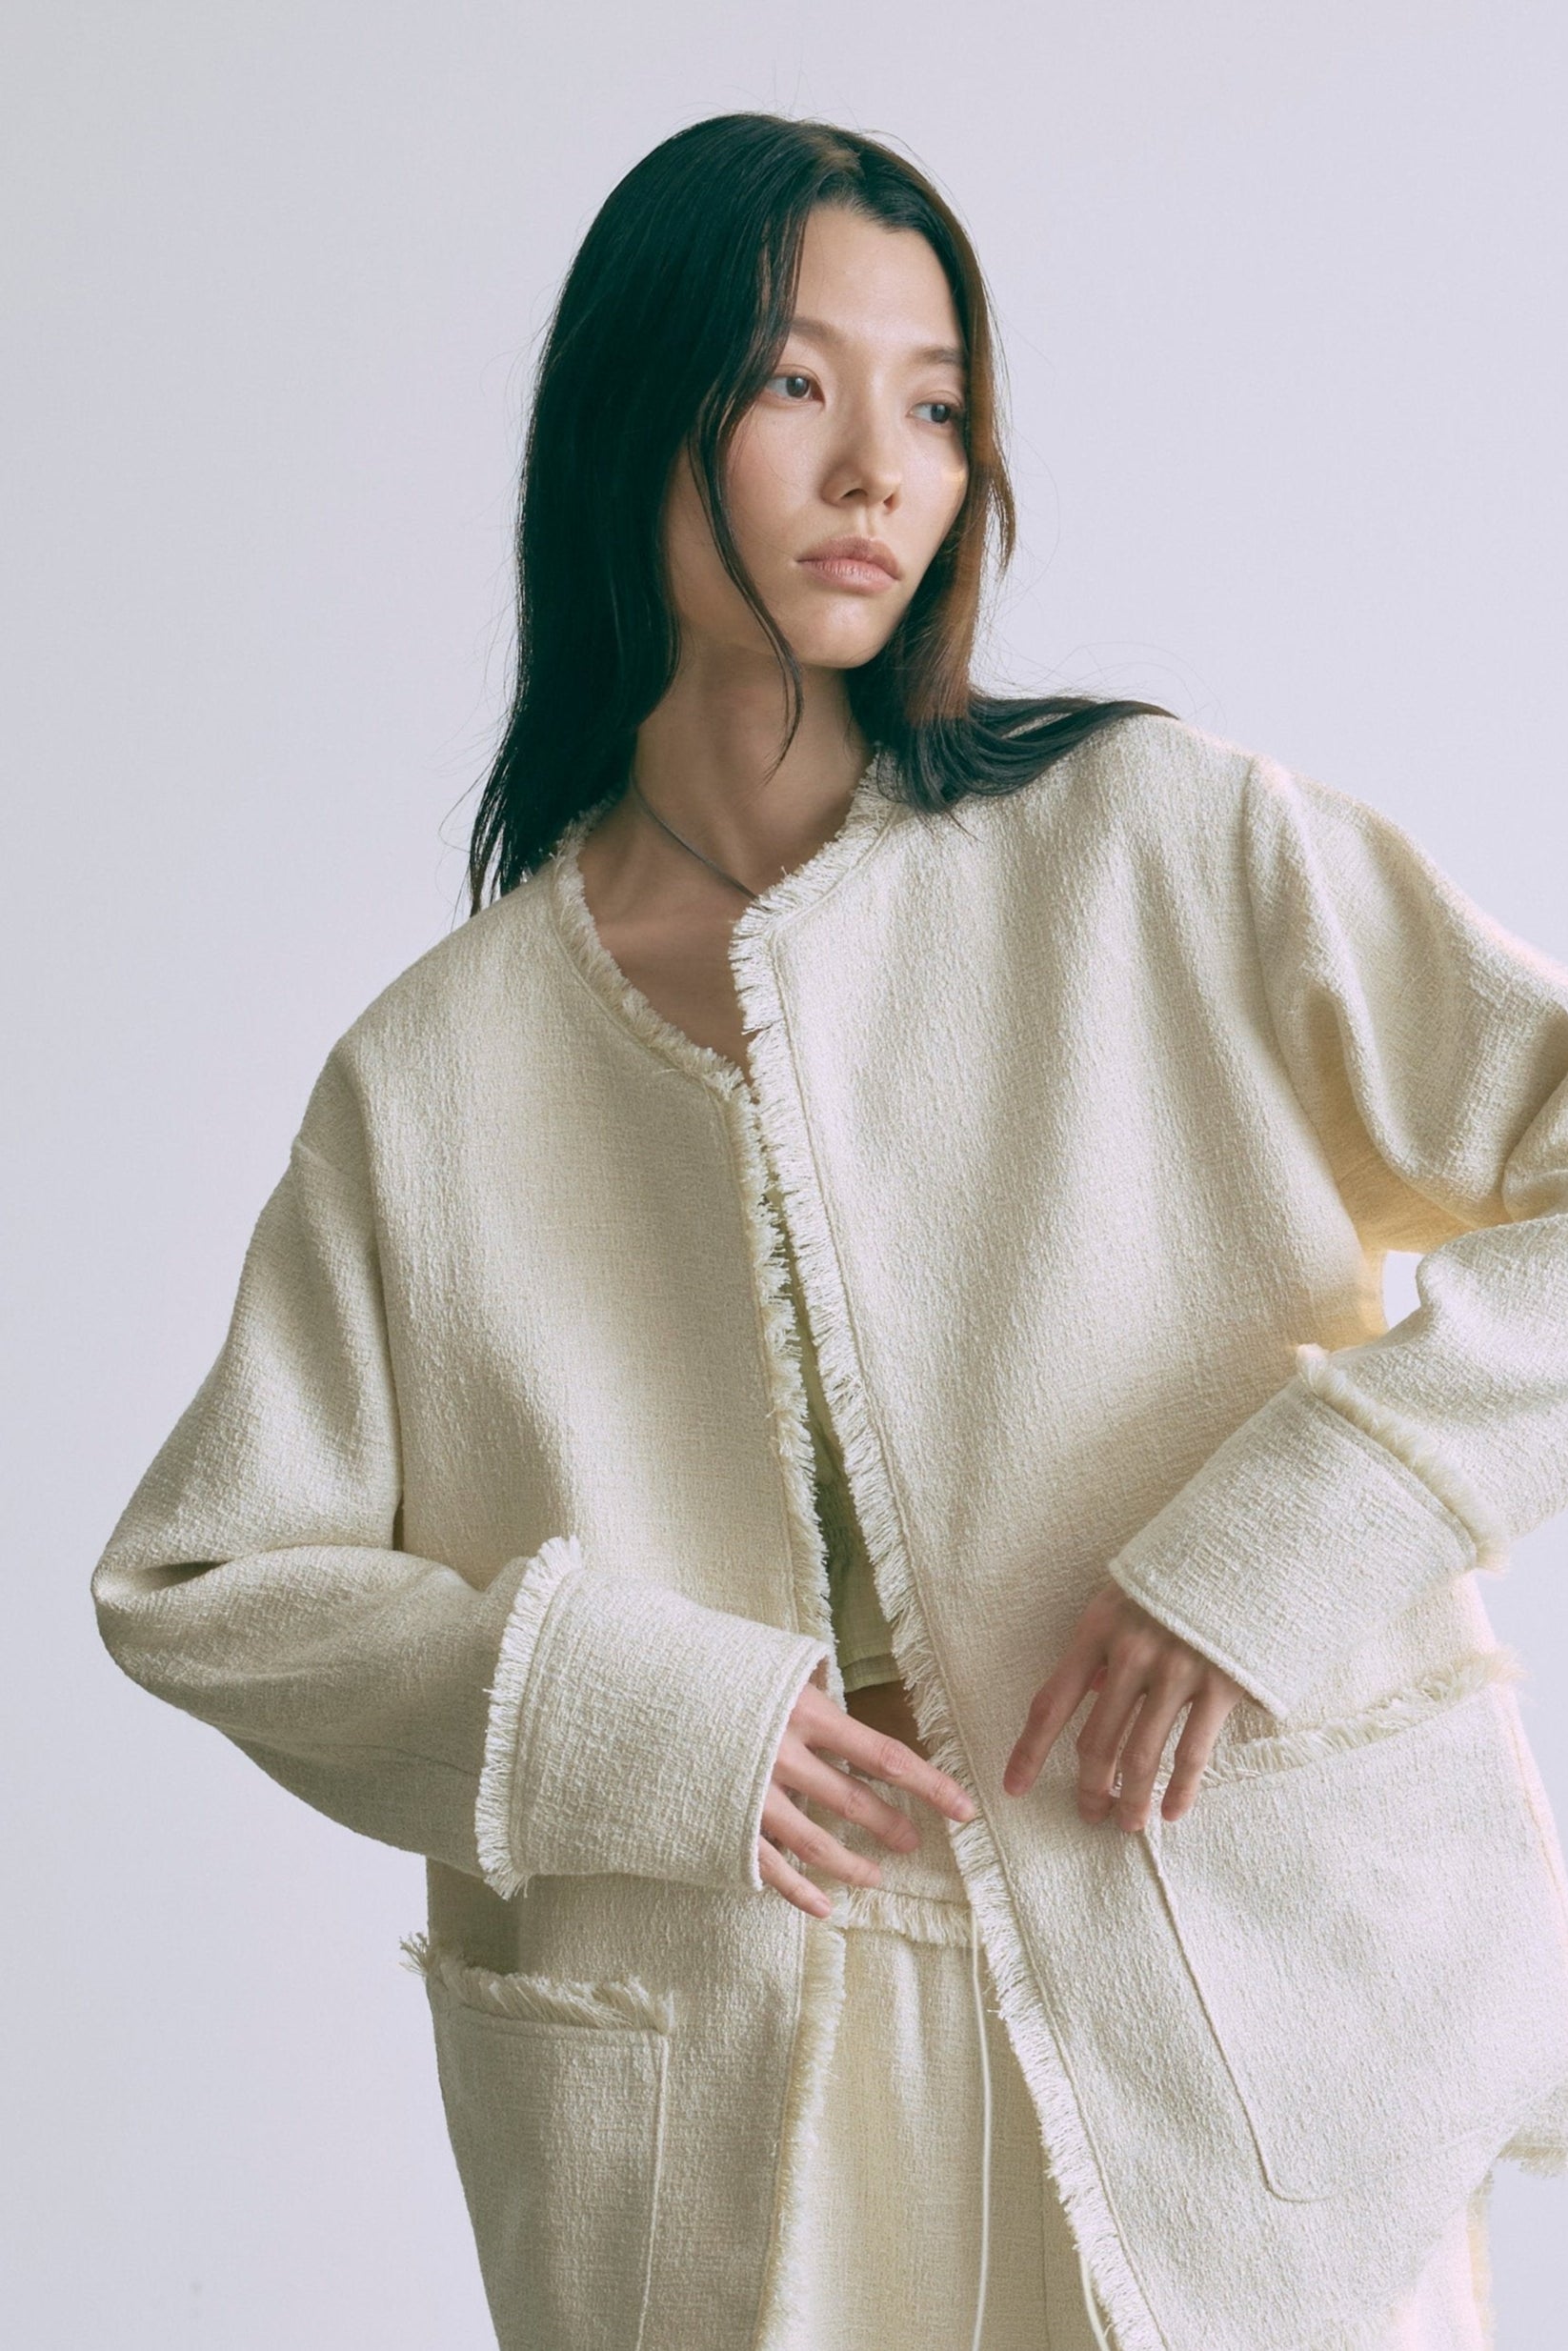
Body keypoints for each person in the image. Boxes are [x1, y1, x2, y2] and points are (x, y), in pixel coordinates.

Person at [91, 111, 1568, 2351]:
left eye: (939, 405)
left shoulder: (1153, 848)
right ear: (636, 410)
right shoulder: (441, 1070)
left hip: (1212, 1988)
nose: (882, 468)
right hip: (748, 2068)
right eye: (795, 381)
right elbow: (200, 1585)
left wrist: (1290, 1529)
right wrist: (619, 1710)